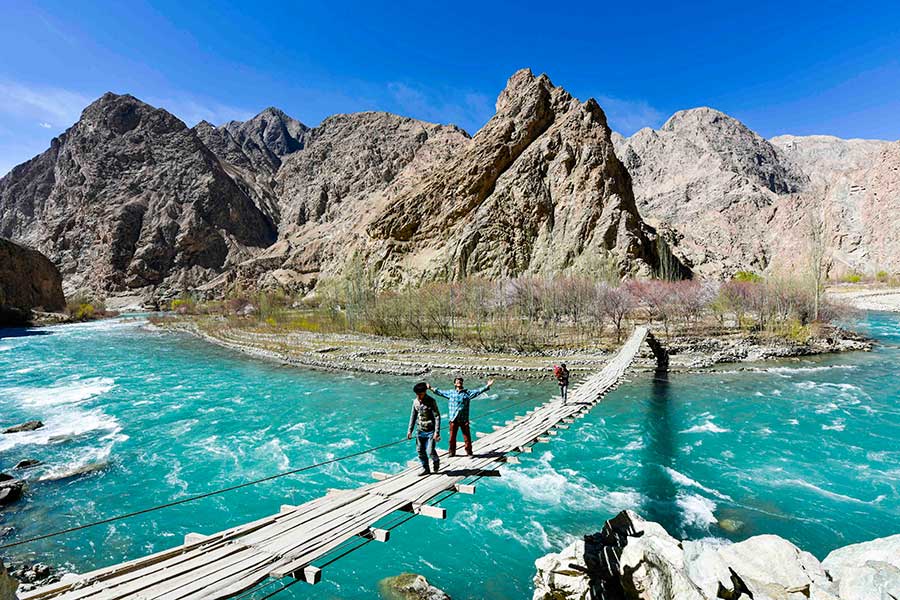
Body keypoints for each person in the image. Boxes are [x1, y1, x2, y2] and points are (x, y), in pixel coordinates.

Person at [427, 376, 494, 457]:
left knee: (467, 438)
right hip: (453, 419)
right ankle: (452, 452)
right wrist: (430, 388)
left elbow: (478, 391)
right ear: (455, 383)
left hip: (464, 419)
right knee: (452, 438)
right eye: (457, 381)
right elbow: (440, 392)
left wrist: (487, 386)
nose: (459, 382)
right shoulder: (450, 393)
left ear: (462, 383)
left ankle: (469, 452)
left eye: (460, 381)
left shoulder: (468, 393)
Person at [407, 382, 441, 475]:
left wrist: (437, 432)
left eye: (420, 394)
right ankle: (426, 468)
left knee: (430, 451)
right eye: (417, 394)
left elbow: (437, 416)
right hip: (420, 430)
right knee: (420, 451)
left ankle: (436, 460)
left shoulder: (431, 401)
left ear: (425, 392)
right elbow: (413, 416)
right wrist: (410, 430)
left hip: (430, 431)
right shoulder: (415, 402)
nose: (419, 396)